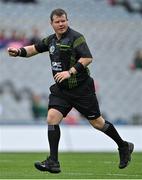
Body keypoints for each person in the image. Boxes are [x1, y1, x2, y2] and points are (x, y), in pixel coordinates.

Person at [7, 8, 134, 173]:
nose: (61, 24)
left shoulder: (76, 37)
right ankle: (53, 161)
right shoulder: (51, 40)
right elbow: (35, 49)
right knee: (52, 118)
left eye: (63, 21)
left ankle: (123, 146)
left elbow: (88, 58)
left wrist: (70, 72)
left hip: (81, 89)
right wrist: (19, 52)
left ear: (67, 21)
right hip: (62, 90)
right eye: (57, 22)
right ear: (51, 23)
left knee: (97, 123)